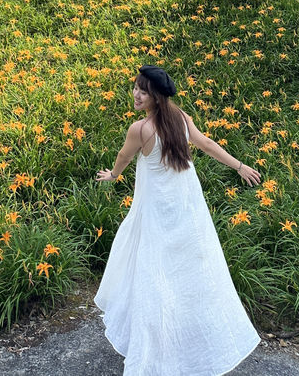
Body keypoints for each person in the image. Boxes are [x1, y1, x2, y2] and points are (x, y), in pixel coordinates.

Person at [94, 65, 262, 376]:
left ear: (156, 96)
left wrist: (114, 175)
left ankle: (158, 341)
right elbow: (206, 144)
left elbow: (124, 156)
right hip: (187, 204)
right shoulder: (180, 118)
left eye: (142, 91)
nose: (135, 94)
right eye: (135, 88)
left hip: (158, 208)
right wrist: (238, 166)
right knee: (188, 268)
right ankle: (188, 336)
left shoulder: (140, 130)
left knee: (152, 267)